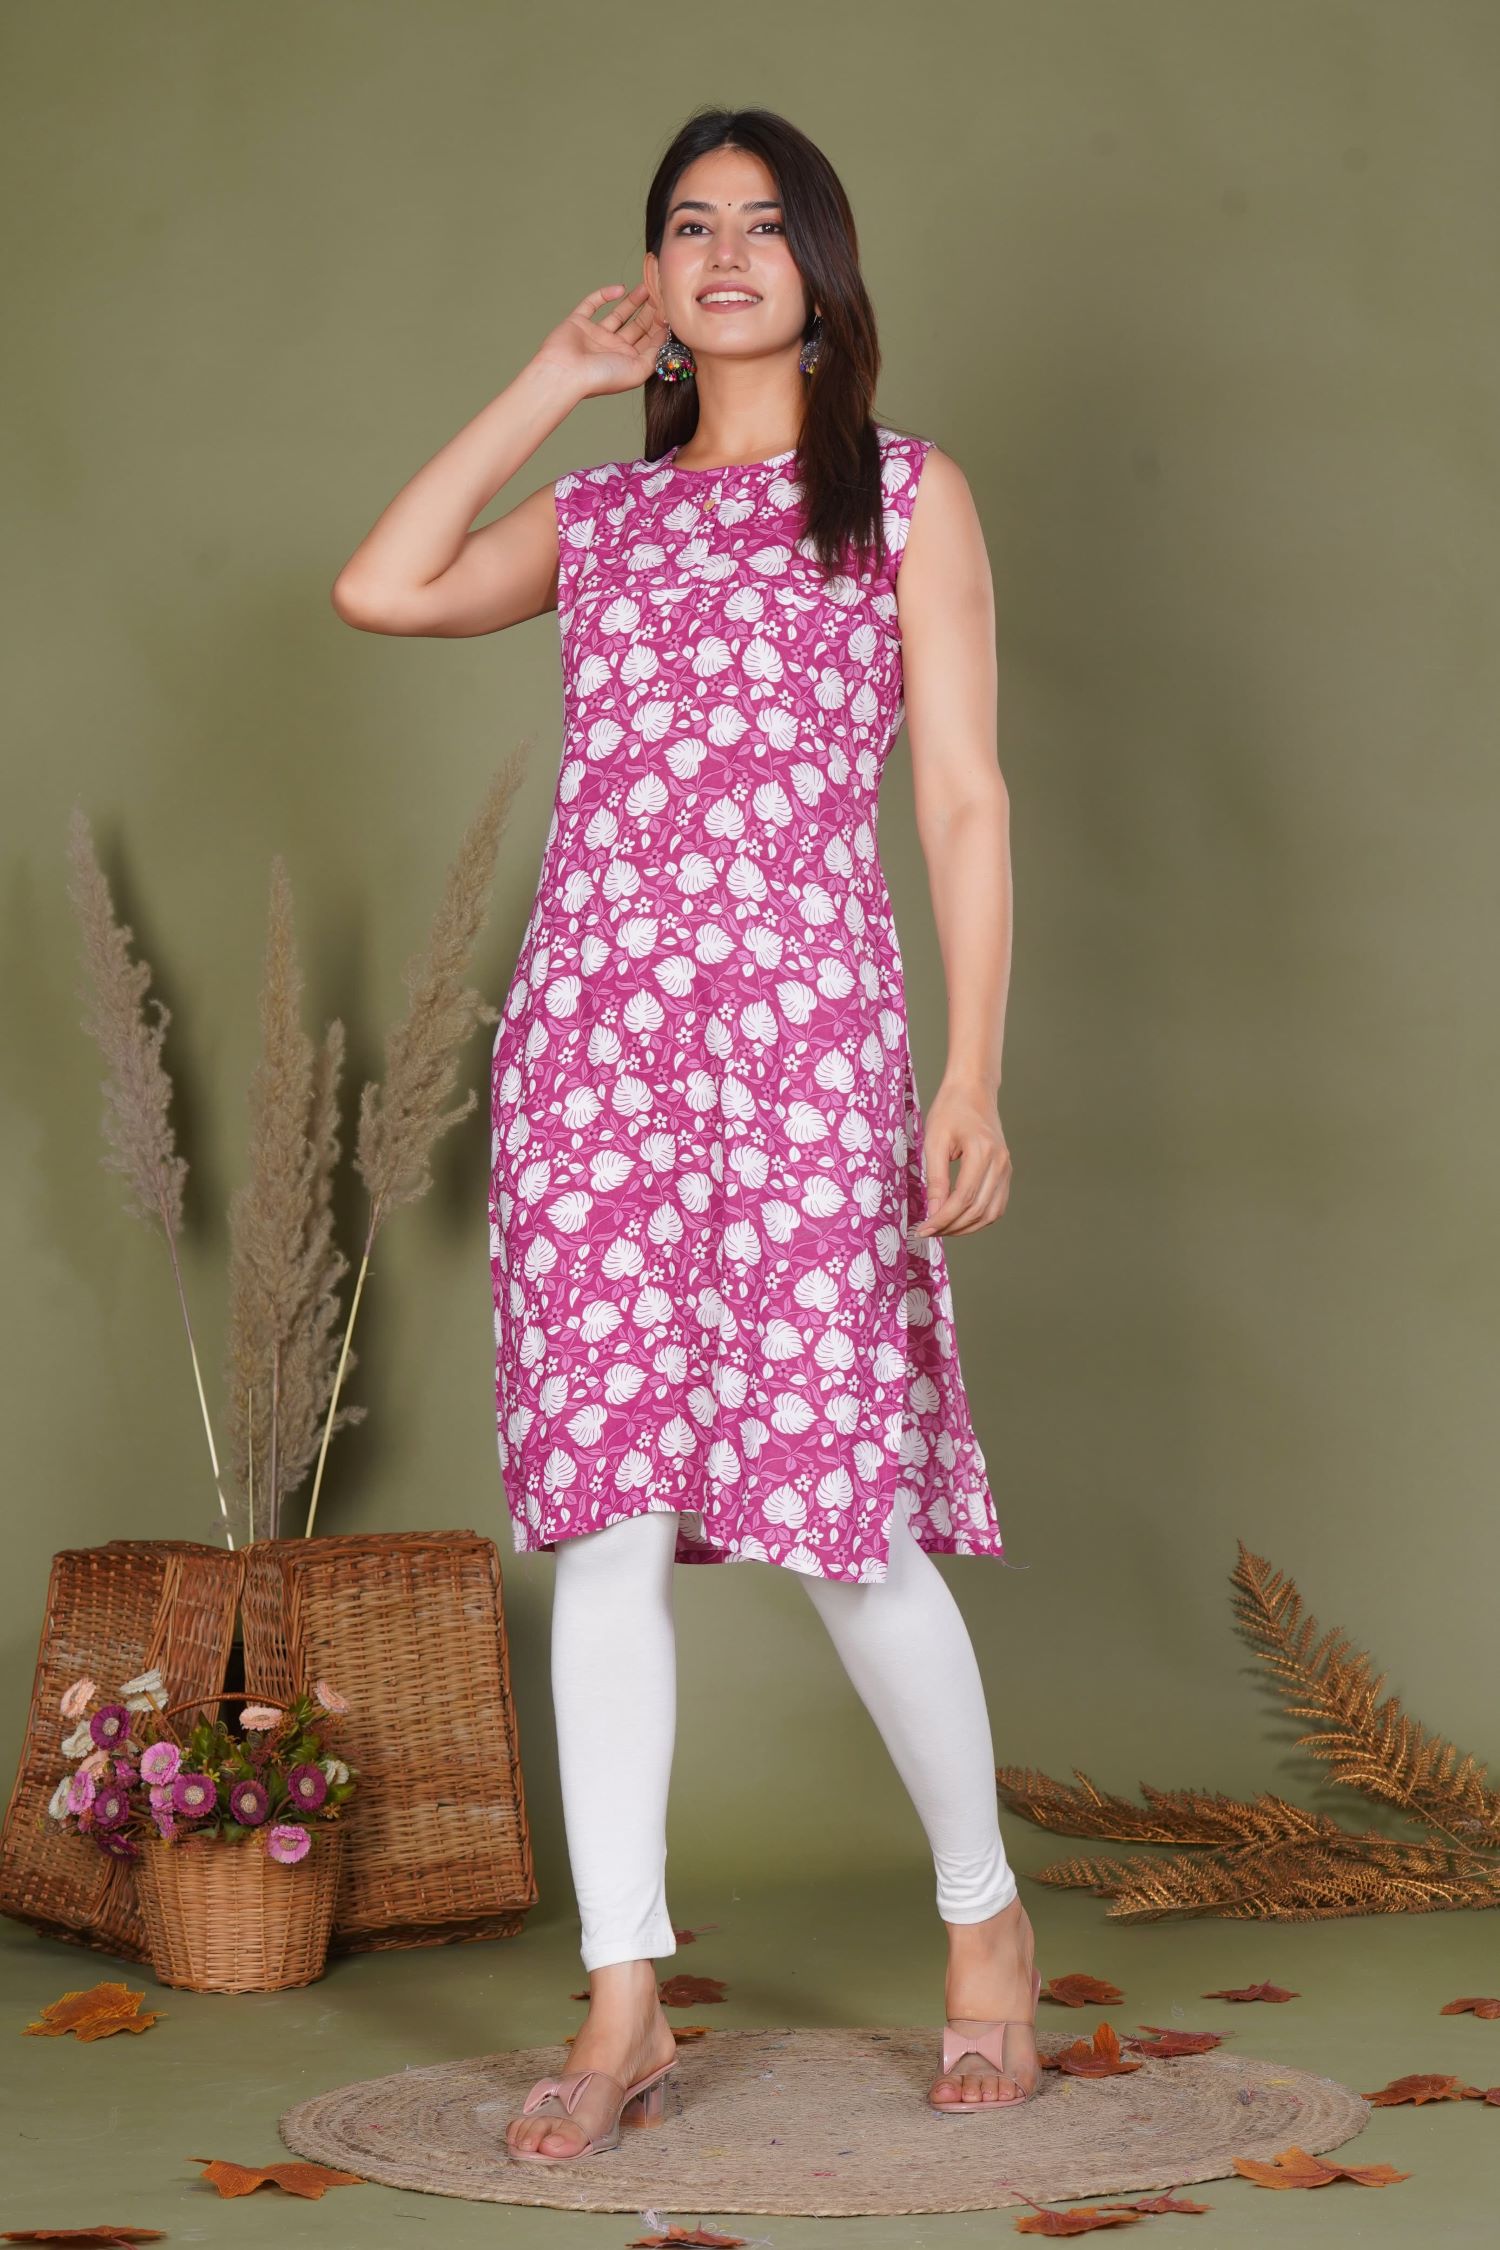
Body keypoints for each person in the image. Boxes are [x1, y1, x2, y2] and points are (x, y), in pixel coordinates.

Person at [332, 104, 1035, 2165]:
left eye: (763, 223)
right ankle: (625, 1991)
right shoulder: (604, 516)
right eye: (688, 224)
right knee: (610, 1521)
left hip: (806, 1047)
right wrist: (550, 381)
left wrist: (972, 1073)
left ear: (822, 268)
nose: (725, 252)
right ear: (652, 273)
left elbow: (965, 799)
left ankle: (984, 1923)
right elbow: (383, 587)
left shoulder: (903, 497)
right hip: (594, 1061)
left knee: (845, 1519)